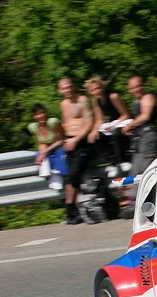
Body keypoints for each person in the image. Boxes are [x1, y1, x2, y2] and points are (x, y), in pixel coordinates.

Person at [120, 76, 157, 219]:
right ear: (130, 90)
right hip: (140, 139)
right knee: (135, 172)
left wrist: (130, 125)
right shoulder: (136, 102)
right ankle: (136, 204)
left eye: (138, 86)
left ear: (143, 85)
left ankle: (153, 204)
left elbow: (145, 116)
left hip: (150, 137)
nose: (136, 89)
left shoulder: (148, 97)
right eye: (133, 87)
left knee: (148, 170)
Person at [58, 77, 94, 224]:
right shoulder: (63, 104)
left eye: (70, 86)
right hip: (69, 142)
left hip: (81, 141)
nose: (68, 90)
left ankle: (70, 208)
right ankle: (72, 211)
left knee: (73, 175)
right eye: (65, 88)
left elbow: (88, 122)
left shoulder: (83, 100)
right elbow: (65, 123)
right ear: (60, 90)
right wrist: (64, 140)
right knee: (69, 177)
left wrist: (76, 139)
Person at [85, 76, 131, 164]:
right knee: (98, 135)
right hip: (111, 123)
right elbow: (99, 119)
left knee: (116, 134)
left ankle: (122, 160)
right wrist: (93, 131)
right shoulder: (95, 101)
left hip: (122, 120)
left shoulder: (113, 96)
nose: (97, 91)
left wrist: (113, 125)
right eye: (93, 90)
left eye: (98, 88)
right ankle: (110, 160)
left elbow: (125, 114)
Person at [28, 103, 68, 190]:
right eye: (38, 114)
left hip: (59, 146)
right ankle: (47, 175)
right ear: (34, 116)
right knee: (41, 155)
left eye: (43, 113)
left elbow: (61, 139)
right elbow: (40, 143)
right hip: (47, 148)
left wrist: (44, 151)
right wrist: (42, 153)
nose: (41, 116)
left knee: (57, 154)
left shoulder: (53, 122)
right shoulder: (32, 127)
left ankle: (57, 176)